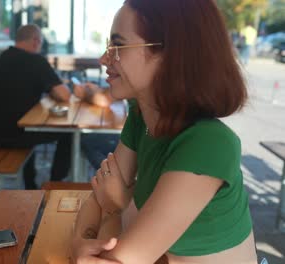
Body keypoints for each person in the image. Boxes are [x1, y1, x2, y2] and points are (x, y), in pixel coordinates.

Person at [71, 1, 257, 263]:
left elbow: (117, 256)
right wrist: (79, 243)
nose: (104, 58)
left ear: (171, 55)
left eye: (118, 46)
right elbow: (99, 195)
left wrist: (114, 209)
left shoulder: (208, 144)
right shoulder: (141, 115)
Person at [0, 24, 111, 189]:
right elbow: (64, 95)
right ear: (36, 41)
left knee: (28, 128)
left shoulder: (1, 57)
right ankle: (55, 182)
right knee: (68, 134)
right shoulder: (35, 60)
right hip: (16, 133)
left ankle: (31, 185)